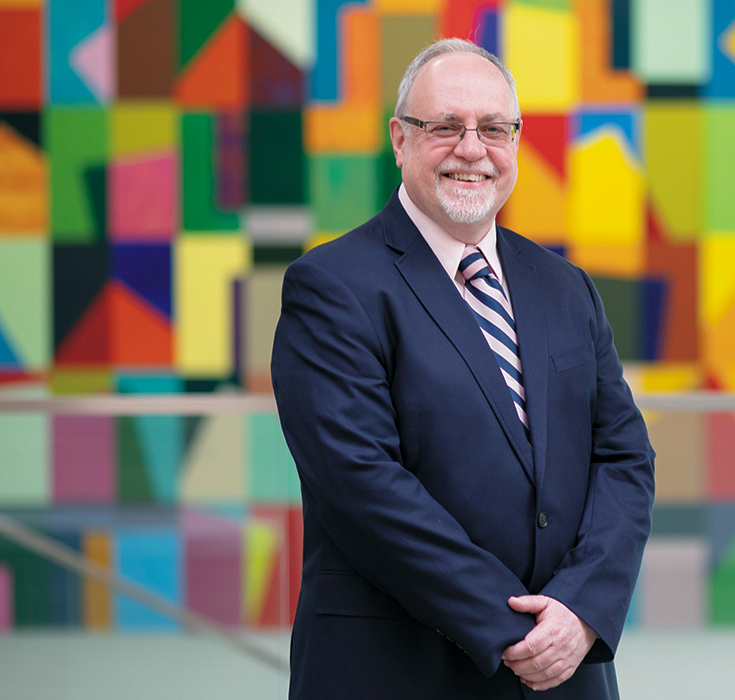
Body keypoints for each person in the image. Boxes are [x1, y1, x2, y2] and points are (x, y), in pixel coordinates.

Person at [271, 38, 655, 699]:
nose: (472, 149)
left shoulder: (566, 288)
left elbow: (623, 460)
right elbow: (362, 485)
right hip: (395, 670)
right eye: (445, 126)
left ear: (515, 140)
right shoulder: (331, 286)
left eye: (493, 128)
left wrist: (580, 609)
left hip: (562, 667)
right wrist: (510, 626)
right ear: (399, 139)